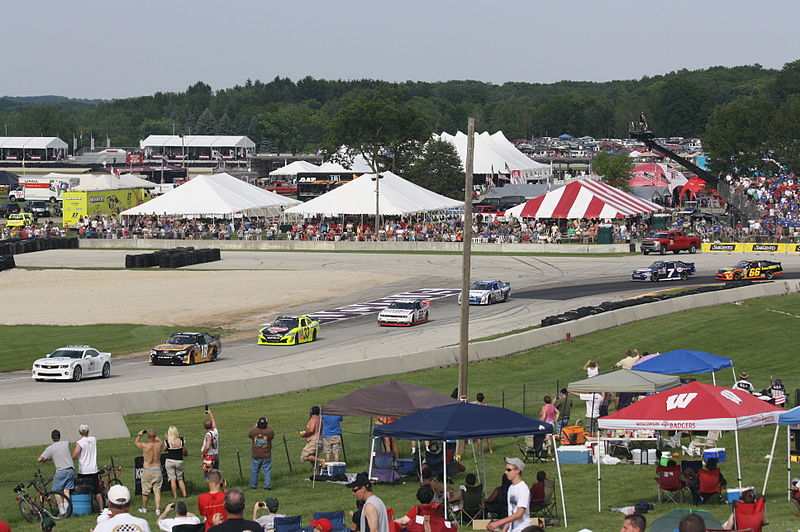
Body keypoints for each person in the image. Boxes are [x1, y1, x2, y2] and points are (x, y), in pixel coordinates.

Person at [486, 458, 530, 532]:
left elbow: (519, 513)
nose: (506, 472)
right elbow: (511, 512)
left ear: (517, 470)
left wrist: (498, 523)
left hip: (523, 528)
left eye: (509, 470)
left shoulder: (523, 488)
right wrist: (505, 529)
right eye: (506, 469)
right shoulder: (511, 488)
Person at [37, 429, 74, 517]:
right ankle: (67, 511)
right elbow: (62, 451)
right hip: (71, 469)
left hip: (61, 471)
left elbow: (39, 459)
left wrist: (45, 459)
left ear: (52, 438)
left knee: (56, 491)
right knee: (66, 490)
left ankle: (62, 512)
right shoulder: (65, 443)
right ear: (60, 436)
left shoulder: (50, 448)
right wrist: (53, 457)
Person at [72, 423, 103, 511]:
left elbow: (75, 454)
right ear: (88, 431)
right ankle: (101, 509)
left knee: (84, 490)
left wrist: (71, 458)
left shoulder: (80, 443)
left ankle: (88, 507)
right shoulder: (93, 439)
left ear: (79, 432)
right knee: (97, 491)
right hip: (93, 469)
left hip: (84, 470)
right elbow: (89, 441)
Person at [134, 429, 166, 514]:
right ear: (155, 437)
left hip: (148, 470)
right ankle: (158, 509)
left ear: (148, 437)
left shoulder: (145, 445)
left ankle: (144, 508)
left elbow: (136, 443)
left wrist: (139, 435)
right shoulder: (159, 445)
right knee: (157, 491)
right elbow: (164, 445)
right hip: (157, 469)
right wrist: (155, 437)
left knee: (145, 491)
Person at [248, 417, 275, 490]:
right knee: (267, 471)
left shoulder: (254, 431)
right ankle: (267, 486)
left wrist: (255, 425)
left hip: (256, 455)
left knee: (254, 471)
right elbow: (272, 436)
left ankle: (253, 485)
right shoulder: (269, 431)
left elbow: (249, 435)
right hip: (266, 455)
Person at [300, 406, 326, 473]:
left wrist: (304, 434)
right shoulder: (320, 419)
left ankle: (321, 460)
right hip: (320, 441)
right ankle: (316, 475)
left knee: (304, 456)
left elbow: (311, 430)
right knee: (313, 461)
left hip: (314, 442)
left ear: (311, 412)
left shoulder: (313, 419)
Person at [164, 426, 188, 498]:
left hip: (170, 461)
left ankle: (175, 495)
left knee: (172, 479)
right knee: (180, 479)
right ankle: (184, 494)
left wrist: (167, 438)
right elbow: (184, 450)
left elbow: (164, 449)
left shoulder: (167, 442)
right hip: (179, 461)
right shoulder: (181, 440)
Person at [201, 408, 220, 476]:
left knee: (207, 476)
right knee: (216, 475)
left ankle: (211, 486)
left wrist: (203, 453)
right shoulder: (215, 432)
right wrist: (210, 414)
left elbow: (208, 445)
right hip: (216, 455)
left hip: (209, 457)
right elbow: (214, 424)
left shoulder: (208, 435)